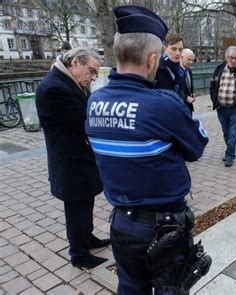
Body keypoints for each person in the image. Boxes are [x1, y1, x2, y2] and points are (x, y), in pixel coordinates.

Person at [85, 6, 210, 294]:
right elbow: (196, 147)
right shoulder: (162, 104)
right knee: (171, 288)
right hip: (164, 227)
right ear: (153, 58)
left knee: (130, 287)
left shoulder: (94, 102)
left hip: (122, 223)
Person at [36, 47, 110, 269]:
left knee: (85, 202)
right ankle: (79, 254)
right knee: (76, 208)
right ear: (75, 62)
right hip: (70, 162)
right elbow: (84, 120)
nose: (94, 77)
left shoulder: (69, 81)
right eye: (92, 71)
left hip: (79, 158)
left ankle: (87, 238)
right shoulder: (53, 88)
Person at [210, 46, 236, 167]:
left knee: (233, 133)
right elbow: (212, 87)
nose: (233, 60)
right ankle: (232, 152)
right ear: (226, 57)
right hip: (221, 108)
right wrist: (215, 101)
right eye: (231, 57)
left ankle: (229, 156)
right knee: (226, 133)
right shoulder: (218, 69)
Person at [154, 34, 187, 103]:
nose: (177, 53)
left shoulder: (181, 71)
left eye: (180, 50)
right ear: (165, 48)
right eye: (174, 49)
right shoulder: (155, 67)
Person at [181, 48, 196, 112]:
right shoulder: (176, 71)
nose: (191, 62)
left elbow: (190, 86)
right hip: (179, 107)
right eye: (189, 59)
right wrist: (186, 98)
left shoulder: (189, 70)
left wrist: (193, 93)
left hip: (188, 107)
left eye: (192, 60)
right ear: (181, 57)